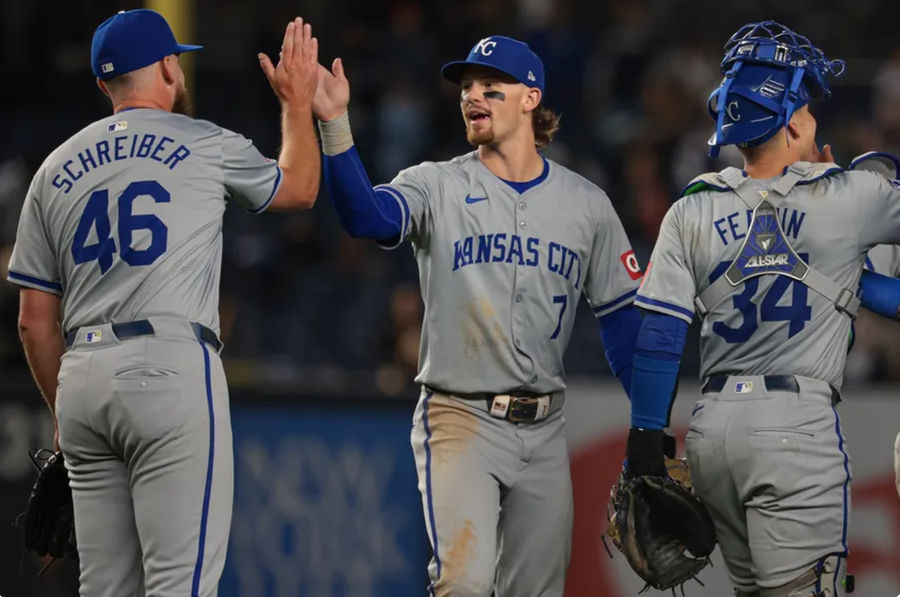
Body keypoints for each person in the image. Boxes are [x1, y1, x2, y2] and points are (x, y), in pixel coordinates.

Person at [312, 36, 642, 596]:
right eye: (466, 88)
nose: (473, 97)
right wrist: (335, 124)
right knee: (462, 584)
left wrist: (651, 424)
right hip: (460, 417)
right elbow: (367, 218)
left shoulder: (587, 203)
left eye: (492, 88)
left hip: (545, 428)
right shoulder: (436, 184)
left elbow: (622, 321)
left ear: (531, 98)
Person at [7, 9, 321, 596]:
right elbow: (300, 186)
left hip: (81, 378)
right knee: (180, 585)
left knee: (105, 588)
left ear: (104, 84)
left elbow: (33, 324)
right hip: (168, 367)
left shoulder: (52, 169)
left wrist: (63, 406)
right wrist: (297, 102)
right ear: (169, 67)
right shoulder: (204, 141)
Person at [623, 21, 900, 597]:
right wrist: (874, 168)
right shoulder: (851, 197)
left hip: (712, 431)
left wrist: (645, 444)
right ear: (794, 118)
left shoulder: (692, 207)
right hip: (794, 429)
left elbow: (659, 335)